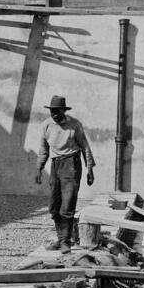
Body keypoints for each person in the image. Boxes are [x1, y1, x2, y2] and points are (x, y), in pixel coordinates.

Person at [34, 95, 96, 252]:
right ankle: (60, 238)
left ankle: (65, 241)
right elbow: (43, 149)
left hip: (71, 164)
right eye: (52, 111)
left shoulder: (74, 125)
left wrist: (89, 169)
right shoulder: (46, 125)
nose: (54, 114)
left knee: (67, 205)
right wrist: (39, 168)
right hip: (56, 165)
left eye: (57, 111)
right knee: (54, 207)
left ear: (63, 110)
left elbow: (85, 147)